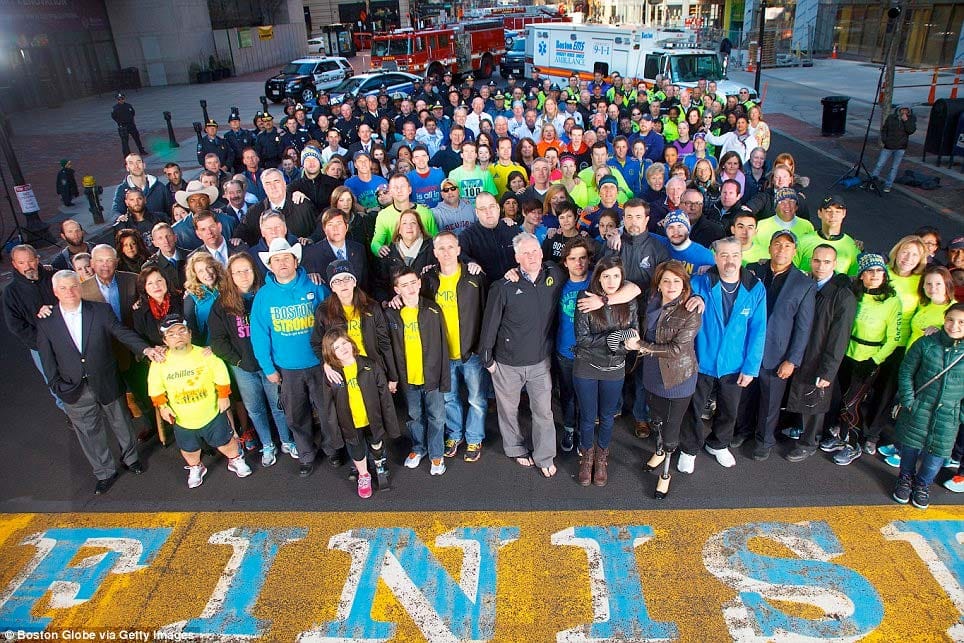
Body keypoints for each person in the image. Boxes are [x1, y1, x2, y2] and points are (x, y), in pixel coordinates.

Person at [38, 270, 164, 494]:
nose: (70, 292)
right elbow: (47, 359)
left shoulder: (99, 310)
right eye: (64, 288)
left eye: (74, 286)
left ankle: (131, 459)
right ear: (55, 292)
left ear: (80, 286)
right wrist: (57, 387)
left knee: (121, 422)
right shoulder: (47, 321)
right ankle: (104, 472)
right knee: (89, 433)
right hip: (72, 388)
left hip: (106, 379)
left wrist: (145, 349)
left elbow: (121, 332)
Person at [250, 238, 340, 476]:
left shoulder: (315, 287)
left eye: (286, 258)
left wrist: (332, 358)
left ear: (296, 260)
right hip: (287, 368)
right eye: (276, 260)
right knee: (296, 414)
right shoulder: (263, 296)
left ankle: (332, 450)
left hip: (319, 364)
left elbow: (332, 324)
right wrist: (268, 367)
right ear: (269, 265)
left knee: (327, 410)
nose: (281, 263)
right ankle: (307, 455)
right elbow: (259, 335)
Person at [479, 232, 565, 477]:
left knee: (543, 411)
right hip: (507, 364)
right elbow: (490, 324)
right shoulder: (503, 286)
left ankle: (544, 456)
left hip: (539, 362)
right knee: (509, 410)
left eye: (535, 251)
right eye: (525, 253)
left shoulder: (553, 275)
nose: (532, 257)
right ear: (516, 257)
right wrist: (488, 360)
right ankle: (515, 448)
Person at [679, 237, 767, 473]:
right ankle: (689, 448)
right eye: (724, 255)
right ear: (715, 257)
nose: (730, 261)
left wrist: (751, 368)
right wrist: (692, 297)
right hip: (700, 361)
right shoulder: (699, 282)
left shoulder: (755, 288)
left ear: (742, 256)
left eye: (735, 255)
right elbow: (680, 303)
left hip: (734, 364)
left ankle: (718, 444)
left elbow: (758, 330)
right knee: (693, 408)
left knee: (729, 409)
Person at [209, 253, 297, 468]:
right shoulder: (222, 304)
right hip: (243, 367)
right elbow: (218, 341)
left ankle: (287, 440)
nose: (243, 275)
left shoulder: (265, 295)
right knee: (255, 409)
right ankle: (267, 444)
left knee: (278, 406)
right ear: (230, 275)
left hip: (269, 364)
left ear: (254, 271)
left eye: (247, 269)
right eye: (237, 271)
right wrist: (238, 362)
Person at [734, 230, 816, 460]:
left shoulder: (804, 284)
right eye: (777, 244)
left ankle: (764, 440)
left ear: (795, 252)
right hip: (747, 348)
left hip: (776, 354)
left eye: (787, 246)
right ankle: (743, 430)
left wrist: (792, 359)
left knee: (770, 402)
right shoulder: (753, 270)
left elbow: (803, 327)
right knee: (744, 395)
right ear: (769, 247)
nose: (781, 250)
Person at [148, 314, 252, 488]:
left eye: (182, 331)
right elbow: (155, 387)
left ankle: (235, 459)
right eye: (171, 335)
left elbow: (220, 374)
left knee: (226, 442)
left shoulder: (205, 354)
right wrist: (163, 407)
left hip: (211, 414)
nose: (178, 337)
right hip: (183, 419)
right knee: (189, 449)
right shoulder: (160, 362)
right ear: (165, 341)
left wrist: (223, 395)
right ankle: (196, 467)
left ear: (189, 333)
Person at [820, 253, 903, 465]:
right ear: (861, 275)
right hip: (847, 355)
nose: (874, 275)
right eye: (869, 271)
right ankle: (841, 436)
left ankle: (853, 444)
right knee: (840, 399)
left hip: (869, 359)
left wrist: (875, 360)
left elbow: (894, 337)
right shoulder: (853, 295)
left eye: (878, 271)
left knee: (852, 403)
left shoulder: (892, 301)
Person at [602, 199, 670, 438]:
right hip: (616, 314)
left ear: (647, 219)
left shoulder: (657, 248)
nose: (633, 222)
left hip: (646, 317)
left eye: (638, 217)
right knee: (616, 363)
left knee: (642, 369)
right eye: (628, 217)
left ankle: (641, 417)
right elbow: (603, 275)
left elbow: (664, 286)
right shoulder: (614, 244)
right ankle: (615, 407)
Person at [784, 244, 858, 462]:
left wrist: (828, 371)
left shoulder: (842, 296)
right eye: (817, 260)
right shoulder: (808, 285)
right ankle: (798, 430)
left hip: (819, 356)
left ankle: (808, 443)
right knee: (801, 394)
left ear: (835, 264)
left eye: (827, 262)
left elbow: (839, 338)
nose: (821, 266)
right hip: (801, 351)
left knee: (815, 399)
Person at [420, 232, 488, 462]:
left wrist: (483, 346)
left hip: (471, 352)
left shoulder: (474, 276)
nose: (446, 252)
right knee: (449, 399)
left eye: (451, 247)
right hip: (443, 353)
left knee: (476, 399)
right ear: (435, 252)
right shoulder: (428, 280)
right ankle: (455, 434)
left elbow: (486, 312)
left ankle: (474, 437)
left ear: (459, 250)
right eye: (441, 248)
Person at [573, 256, 641, 487]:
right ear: (598, 278)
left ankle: (602, 457)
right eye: (605, 276)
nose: (611, 281)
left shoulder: (629, 300)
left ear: (622, 278)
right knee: (587, 416)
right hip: (587, 367)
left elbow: (634, 333)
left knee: (608, 416)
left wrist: (621, 340)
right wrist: (614, 338)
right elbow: (582, 339)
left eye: (615, 276)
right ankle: (587, 456)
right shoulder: (585, 298)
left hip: (614, 368)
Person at [891, 303, 964, 509]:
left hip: (949, 414)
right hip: (919, 406)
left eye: (961, 322)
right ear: (944, 319)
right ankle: (905, 478)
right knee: (910, 447)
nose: (954, 326)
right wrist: (908, 400)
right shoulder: (926, 344)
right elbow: (906, 372)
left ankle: (922, 485)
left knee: (937, 455)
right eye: (950, 319)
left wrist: (960, 415)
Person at [639, 260, 701, 499]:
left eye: (677, 281)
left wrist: (641, 346)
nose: (671, 285)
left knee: (672, 431)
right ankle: (659, 452)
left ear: (684, 284)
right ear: (659, 283)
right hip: (652, 373)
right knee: (655, 420)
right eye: (666, 280)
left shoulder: (691, 311)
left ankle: (665, 474)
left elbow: (676, 349)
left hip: (677, 379)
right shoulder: (652, 302)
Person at [385, 266, 450, 476]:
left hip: (432, 377)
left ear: (420, 283)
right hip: (408, 378)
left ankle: (437, 453)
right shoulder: (392, 314)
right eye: (404, 285)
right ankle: (418, 448)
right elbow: (388, 347)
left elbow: (443, 346)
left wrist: (443, 377)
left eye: (413, 282)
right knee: (414, 416)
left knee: (437, 416)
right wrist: (393, 377)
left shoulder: (433, 310)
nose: (410, 288)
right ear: (397, 290)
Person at [320, 329, 400, 498]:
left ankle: (379, 464)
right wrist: (334, 432)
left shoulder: (370, 365)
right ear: (331, 353)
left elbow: (384, 397)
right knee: (357, 450)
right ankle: (363, 475)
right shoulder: (331, 376)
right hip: (349, 423)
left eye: (344, 343)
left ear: (351, 342)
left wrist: (390, 422)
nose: (343, 348)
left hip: (372, 419)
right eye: (336, 347)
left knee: (377, 444)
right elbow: (329, 407)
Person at [3, 244, 64, 413]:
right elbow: (16, 325)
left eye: (30, 261)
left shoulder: (54, 276)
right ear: (14, 264)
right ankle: (68, 412)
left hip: (68, 338)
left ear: (37, 259)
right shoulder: (11, 293)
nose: (28, 266)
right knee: (53, 378)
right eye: (22, 263)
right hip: (40, 347)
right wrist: (41, 343)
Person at [795, 194, 860, 276]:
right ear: (819, 213)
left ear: (844, 214)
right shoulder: (803, 241)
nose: (833, 216)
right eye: (828, 211)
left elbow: (853, 280)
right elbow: (791, 273)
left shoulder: (853, 247)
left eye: (838, 211)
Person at [458, 191, 518, 279]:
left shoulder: (512, 229)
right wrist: (469, 263)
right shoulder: (467, 236)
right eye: (483, 209)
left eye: (492, 207)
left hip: (514, 286)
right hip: (486, 288)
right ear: (477, 212)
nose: (488, 212)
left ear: (498, 208)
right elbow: (458, 254)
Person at [132, 266, 183, 347]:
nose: (156, 286)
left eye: (159, 281)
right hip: (160, 357)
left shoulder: (182, 301)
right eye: (150, 283)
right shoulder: (140, 312)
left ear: (166, 281)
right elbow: (142, 341)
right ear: (144, 288)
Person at [183, 252, 226, 347]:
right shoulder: (191, 298)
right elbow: (191, 330)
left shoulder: (228, 288)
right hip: (209, 349)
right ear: (195, 275)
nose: (207, 273)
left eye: (209, 267)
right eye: (200, 271)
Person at [872, 105, 917, 193]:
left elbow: (911, 130)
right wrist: (885, 140)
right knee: (880, 164)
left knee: (894, 167)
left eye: (906, 110)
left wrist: (906, 121)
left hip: (900, 147)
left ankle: (888, 185)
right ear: (899, 110)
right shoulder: (891, 118)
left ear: (909, 112)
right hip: (888, 146)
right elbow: (884, 129)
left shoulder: (911, 119)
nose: (904, 112)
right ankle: (873, 180)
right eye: (902, 110)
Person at [111, 154, 172, 218]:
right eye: (131, 163)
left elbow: (170, 209)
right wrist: (119, 217)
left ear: (144, 165)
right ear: (127, 168)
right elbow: (116, 211)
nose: (136, 166)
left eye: (138, 162)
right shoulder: (122, 189)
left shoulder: (159, 187)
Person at [659, 211, 715, 275]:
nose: (676, 232)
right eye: (671, 227)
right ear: (666, 231)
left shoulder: (706, 256)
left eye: (680, 226)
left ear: (688, 229)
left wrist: (714, 270)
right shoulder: (658, 243)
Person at [111, 92, 148, 157]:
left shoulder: (128, 105)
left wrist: (131, 120)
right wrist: (119, 123)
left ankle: (141, 150)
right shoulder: (115, 108)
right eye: (119, 99)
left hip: (131, 125)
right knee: (125, 141)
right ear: (117, 100)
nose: (121, 100)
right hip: (123, 126)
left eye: (122, 98)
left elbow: (133, 113)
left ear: (124, 99)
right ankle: (126, 154)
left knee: (137, 138)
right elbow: (114, 116)